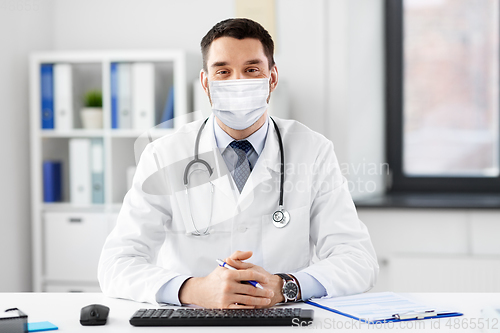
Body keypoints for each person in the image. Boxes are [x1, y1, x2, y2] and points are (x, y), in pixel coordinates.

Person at [98, 18, 378, 309]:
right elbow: (116, 264)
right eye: (223, 71)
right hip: (192, 321)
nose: (238, 82)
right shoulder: (164, 155)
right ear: (206, 82)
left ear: (272, 78)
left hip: (282, 319)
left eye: (252, 70)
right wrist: (193, 290)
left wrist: (285, 286)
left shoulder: (313, 150)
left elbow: (358, 260)